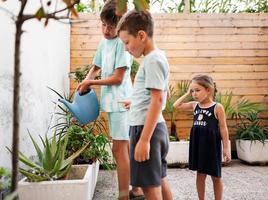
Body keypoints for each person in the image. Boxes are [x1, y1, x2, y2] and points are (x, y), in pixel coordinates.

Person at [77, 1, 143, 199]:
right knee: (126, 148)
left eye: (111, 26)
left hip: (122, 103)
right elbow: (95, 66)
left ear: (121, 27)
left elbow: (118, 78)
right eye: (103, 24)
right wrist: (87, 80)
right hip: (113, 104)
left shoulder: (123, 45)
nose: (106, 30)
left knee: (118, 148)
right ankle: (137, 189)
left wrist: (91, 82)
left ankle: (124, 195)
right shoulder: (103, 42)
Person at [117, 10, 173, 200]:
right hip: (155, 127)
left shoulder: (152, 60)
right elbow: (159, 94)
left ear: (141, 35)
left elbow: (158, 99)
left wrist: (144, 140)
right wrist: (135, 103)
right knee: (160, 178)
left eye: (127, 42)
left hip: (146, 130)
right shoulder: (158, 57)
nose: (126, 48)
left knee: (150, 187)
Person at [173, 74, 231, 200]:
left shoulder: (217, 107)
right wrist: (187, 93)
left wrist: (226, 148)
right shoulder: (195, 105)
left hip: (212, 146)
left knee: (216, 176)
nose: (194, 94)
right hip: (198, 145)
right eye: (192, 91)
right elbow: (176, 106)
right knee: (200, 175)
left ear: (208, 90)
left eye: (197, 90)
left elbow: (223, 128)